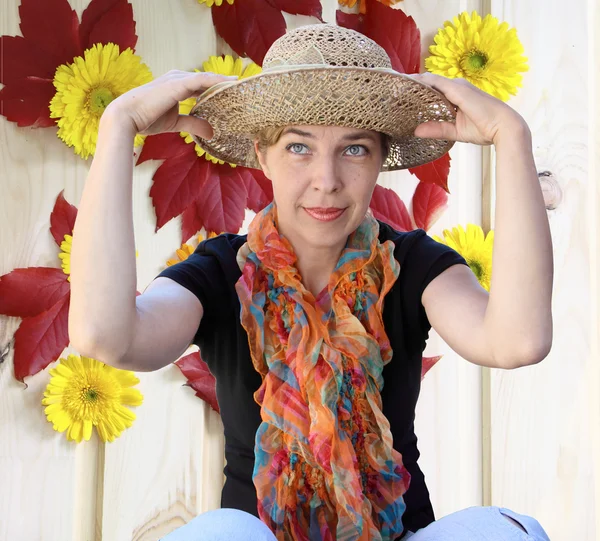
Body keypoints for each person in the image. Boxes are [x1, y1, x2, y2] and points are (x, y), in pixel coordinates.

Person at [69, 23, 553, 541]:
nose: (326, 179)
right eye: (299, 147)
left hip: (397, 535)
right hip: (259, 536)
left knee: (507, 531)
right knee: (221, 533)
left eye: (355, 149)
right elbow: (106, 335)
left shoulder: (410, 263)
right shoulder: (219, 270)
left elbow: (518, 341)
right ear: (262, 154)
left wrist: (511, 137)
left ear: (379, 160)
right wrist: (118, 126)